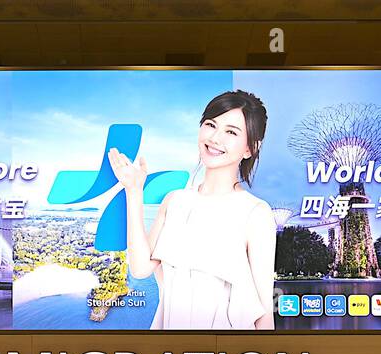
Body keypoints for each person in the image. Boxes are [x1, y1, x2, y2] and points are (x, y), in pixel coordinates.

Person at [110, 90, 277, 331]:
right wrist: (134, 190)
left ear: (250, 148)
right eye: (211, 125)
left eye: (231, 131)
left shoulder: (256, 213)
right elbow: (140, 268)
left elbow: (263, 312)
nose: (216, 138)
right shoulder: (175, 200)